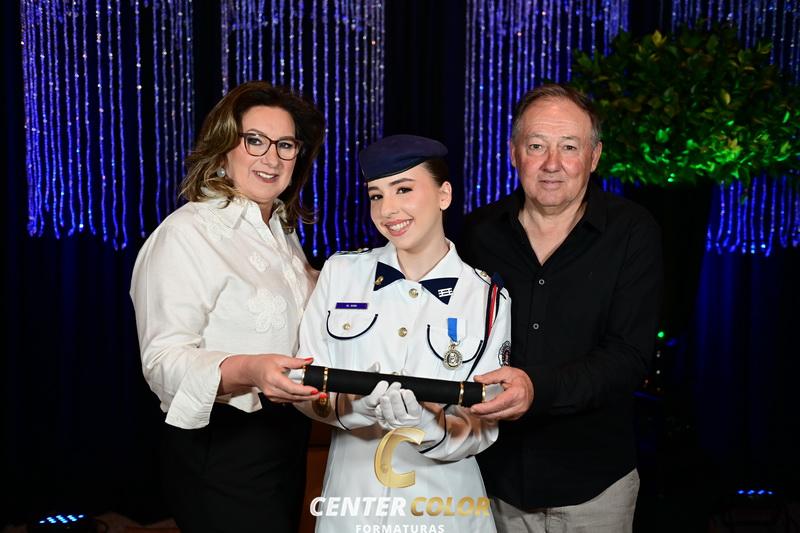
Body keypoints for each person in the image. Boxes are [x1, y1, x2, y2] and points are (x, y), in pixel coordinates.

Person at [459, 83, 663, 533]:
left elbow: (629, 357)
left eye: (569, 146)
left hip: (594, 487)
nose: (552, 163)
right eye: (537, 146)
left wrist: (537, 389)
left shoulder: (632, 232)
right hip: (490, 484)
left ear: (594, 156)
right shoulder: (476, 234)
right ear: (514, 153)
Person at [130, 81, 325, 533]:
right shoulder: (186, 233)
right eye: (255, 140)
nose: (272, 158)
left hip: (284, 440)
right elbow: (162, 361)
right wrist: (250, 369)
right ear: (222, 149)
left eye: (286, 144)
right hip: (222, 447)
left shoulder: (281, 231)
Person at [296, 135, 511, 532]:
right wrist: (354, 408)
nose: (387, 210)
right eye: (376, 196)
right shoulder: (340, 275)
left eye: (404, 190)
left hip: (444, 510)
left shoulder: (486, 298)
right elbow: (304, 383)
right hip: (351, 505)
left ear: (444, 194)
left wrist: (430, 428)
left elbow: (485, 420)